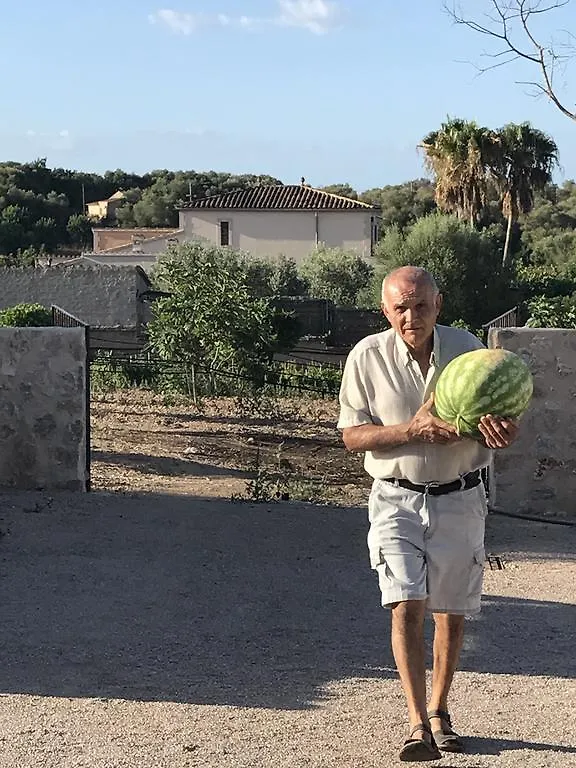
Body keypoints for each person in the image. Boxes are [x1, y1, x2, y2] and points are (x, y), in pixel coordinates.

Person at [337, 266, 518, 762]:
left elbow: (498, 418)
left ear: (438, 305)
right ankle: (417, 723)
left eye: (421, 306)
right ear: (385, 310)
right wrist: (410, 431)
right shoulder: (366, 357)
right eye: (401, 307)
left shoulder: (470, 351)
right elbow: (352, 436)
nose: (411, 316)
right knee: (406, 603)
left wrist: (502, 431)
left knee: (451, 612)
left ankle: (441, 711)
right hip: (396, 496)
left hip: (460, 495)